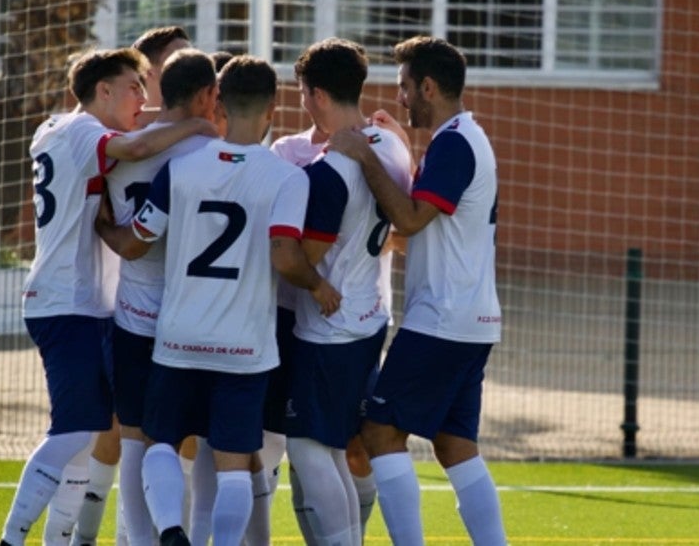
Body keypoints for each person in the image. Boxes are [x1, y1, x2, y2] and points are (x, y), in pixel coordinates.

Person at [100, 55, 341, 546]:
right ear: (273, 107)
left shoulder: (181, 169)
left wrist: (102, 222)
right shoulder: (287, 179)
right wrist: (319, 286)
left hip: (178, 337)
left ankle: (170, 529)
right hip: (245, 345)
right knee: (234, 462)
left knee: (160, 442)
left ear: (221, 103)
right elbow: (284, 254)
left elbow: (137, 242)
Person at [0, 47, 219, 546]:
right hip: (64, 301)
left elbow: (139, 138)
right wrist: (197, 126)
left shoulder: (56, 127)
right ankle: (11, 539)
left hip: (88, 303)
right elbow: (137, 150)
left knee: (92, 434)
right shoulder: (82, 133)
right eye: (135, 88)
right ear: (103, 91)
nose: (144, 99)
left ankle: (61, 540)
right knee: (76, 431)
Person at [328, 36, 506, 545]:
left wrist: (364, 155)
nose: (400, 98)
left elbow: (406, 216)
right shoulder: (462, 138)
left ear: (429, 85)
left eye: (405, 87)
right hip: (469, 321)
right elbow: (418, 230)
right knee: (454, 446)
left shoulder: (454, 143)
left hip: (442, 321)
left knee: (379, 433)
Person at [62, 25, 195, 546]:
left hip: (187, 312)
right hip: (128, 305)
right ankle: (89, 535)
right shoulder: (116, 140)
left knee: (174, 441)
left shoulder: (202, 137)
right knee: (117, 433)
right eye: (171, 62)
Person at [283, 38, 414, 546]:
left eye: (300, 91)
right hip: (370, 317)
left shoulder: (330, 169)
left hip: (329, 330)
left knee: (310, 447)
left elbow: (304, 259)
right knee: (338, 447)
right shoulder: (393, 144)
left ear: (315, 95)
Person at [95, 48, 222, 546]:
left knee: (132, 440)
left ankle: (133, 538)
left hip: (133, 313)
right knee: (185, 443)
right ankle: (193, 534)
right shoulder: (206, 154)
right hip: (191, 316)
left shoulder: (122, 146)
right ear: (208, 95)